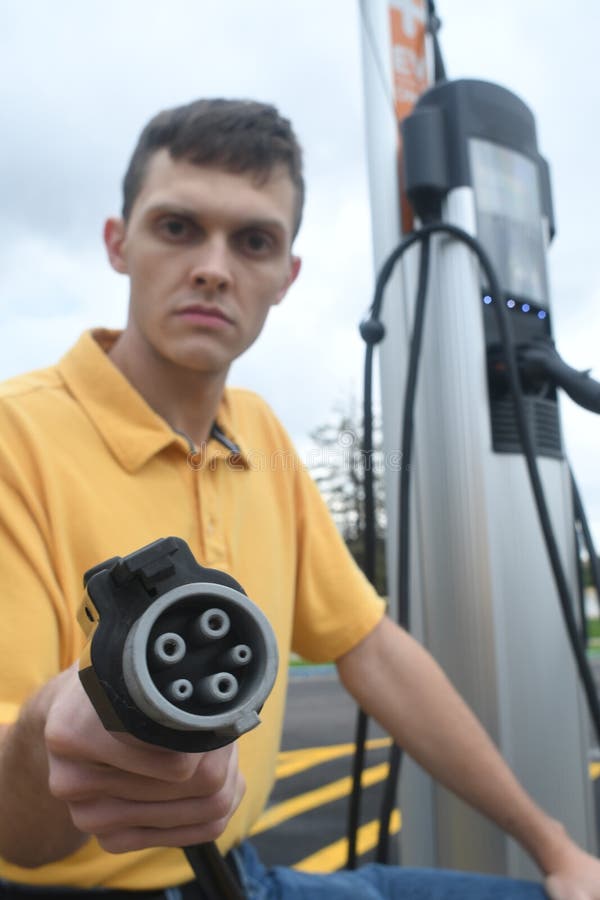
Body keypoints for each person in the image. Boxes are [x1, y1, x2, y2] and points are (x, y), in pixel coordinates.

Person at [0, 98, 597, 900]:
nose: (214, 266)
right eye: (178, 227)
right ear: (119, 243)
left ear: (288, 274)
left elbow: (372, 649)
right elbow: (17, 834)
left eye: (254, 240)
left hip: (241, 875)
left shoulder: (261, 436)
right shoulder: (17, 440)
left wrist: (556, 851)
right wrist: (51, 732)